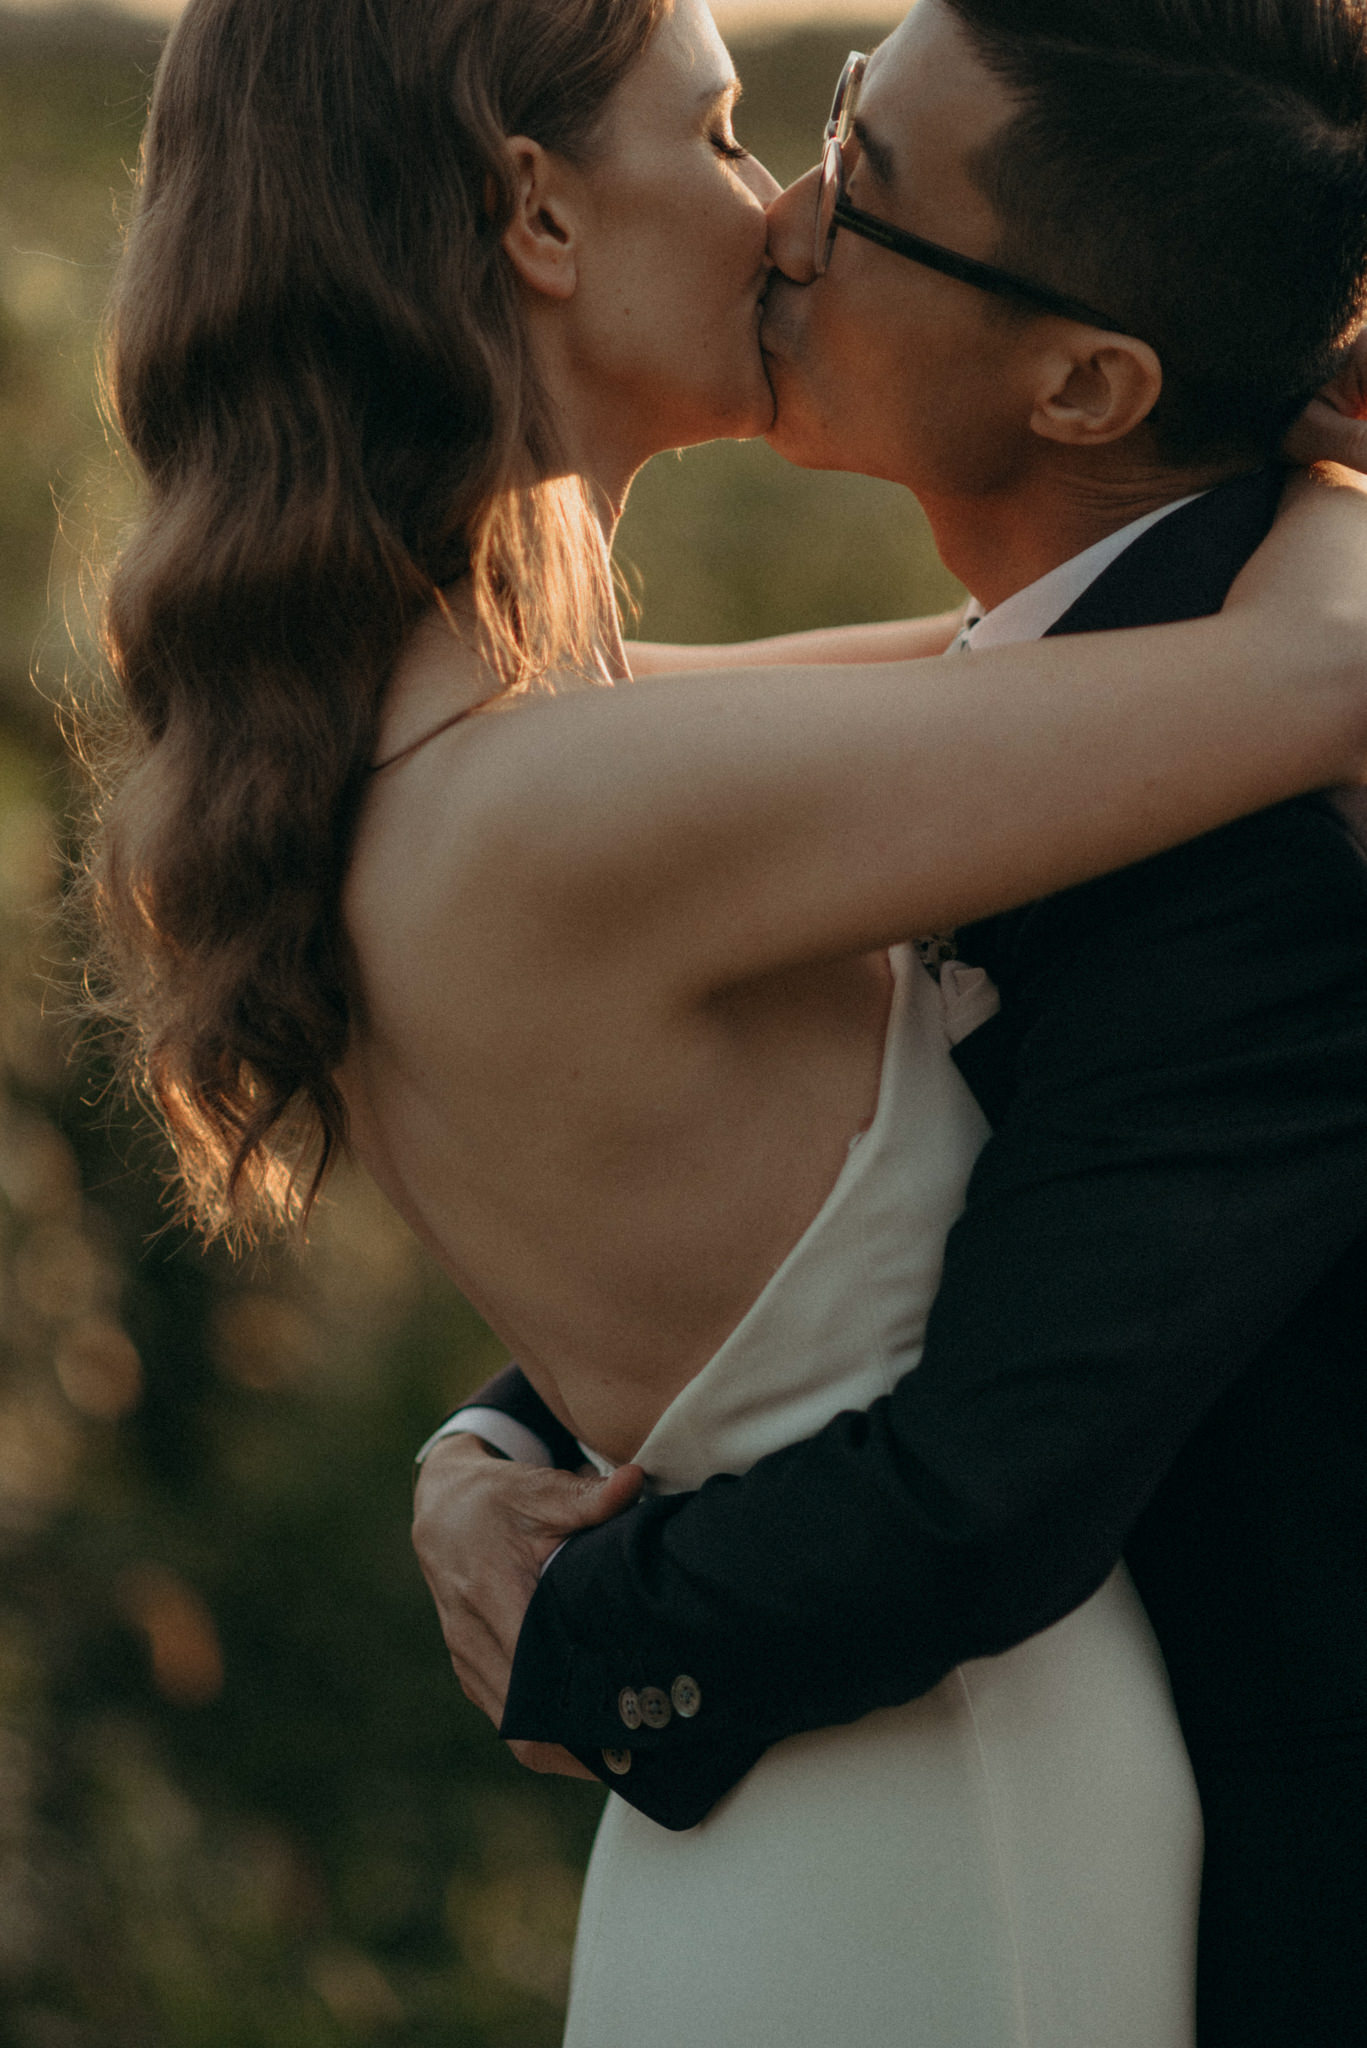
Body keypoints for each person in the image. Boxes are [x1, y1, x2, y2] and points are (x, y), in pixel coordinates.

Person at [77, 0, 1367, 2042]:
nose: (782, 218)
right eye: (757, 126)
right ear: (539, 221)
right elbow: (1316, 675)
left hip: (835, 1798)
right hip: (943, 1786)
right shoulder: (580, 797)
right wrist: (1315, 451)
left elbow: (984, 692)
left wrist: (511, 1458)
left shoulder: (442, 744)